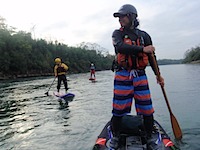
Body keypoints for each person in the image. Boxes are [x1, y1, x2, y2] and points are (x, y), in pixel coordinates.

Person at [110, 4, 164, 149]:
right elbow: (120, 47)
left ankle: (149, 136)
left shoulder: (144, 36)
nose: (120, 19)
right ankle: (115, 136)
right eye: (119, 17)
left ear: (132, 16)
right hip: (123, 74)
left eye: (123, 16)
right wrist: (142, 48)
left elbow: (152, 57)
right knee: (119, 109)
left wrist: (158, 75)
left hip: (140, 75)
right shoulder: (117, 34)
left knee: (147, 109)